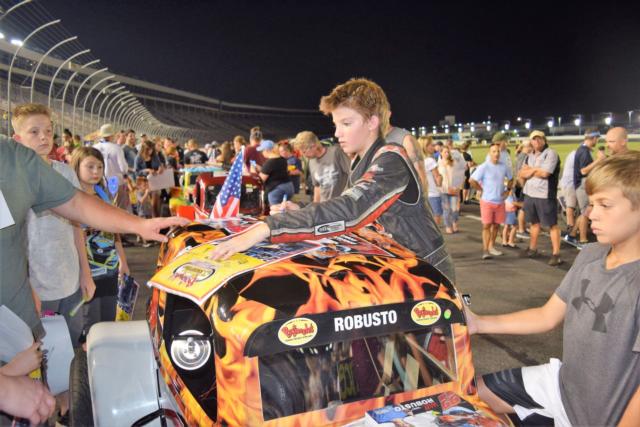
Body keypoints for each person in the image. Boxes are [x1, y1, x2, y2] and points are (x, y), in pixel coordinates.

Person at [210, 78, 454, 282]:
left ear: (372, 122)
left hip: (426, 268)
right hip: (399, 267)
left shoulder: (390, 158)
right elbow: (348, 208)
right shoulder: (360, 162)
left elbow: (352, 210)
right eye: (336, 124)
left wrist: (268, 227)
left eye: (346, 123)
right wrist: (303, 208)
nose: (337, 133)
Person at [466, 151, 640, 426]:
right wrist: (477, 323)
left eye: (605, 205)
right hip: (562, 387)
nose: (590, 214)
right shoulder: (591, 254)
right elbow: (547, 316)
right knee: (465, 397)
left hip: (602, 416)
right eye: (592, 203)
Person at [11, 104, 95, 353]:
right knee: (38, 357)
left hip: (70, 283)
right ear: (17, 139)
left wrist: (86, 272)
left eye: (48, 131)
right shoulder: (11, 182)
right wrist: (25, 287)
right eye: (34, 132)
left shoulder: (66, 174)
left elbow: (75, 226)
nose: (44, 137)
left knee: (69, 350)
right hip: (34, 288)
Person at [71, 147, 130, 339]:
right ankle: (89, 367)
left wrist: (123, 261)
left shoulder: (103, 195)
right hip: (88, 273)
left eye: (99, 167)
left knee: (109, 322)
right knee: (91, 326)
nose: (96, 172)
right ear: (77, 167)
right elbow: (77, 236)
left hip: (110, 269)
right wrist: (85, 272)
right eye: (90, 167)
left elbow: (115, 231)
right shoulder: (72, 199)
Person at [518, 130, 563, 266]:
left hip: (545, 194)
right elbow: (521, 173)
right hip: (530, 194)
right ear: (531, 141)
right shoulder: (529, 156)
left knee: (552, 225)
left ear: (544, 140)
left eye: (539, 139)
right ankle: (532, 248)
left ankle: (556, 254)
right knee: (534, 223)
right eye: (534, 139)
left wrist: (530, 170)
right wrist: (535, 170)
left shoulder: (551, 153)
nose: (536, 141)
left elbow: (545, 173)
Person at [470, 142, 513, 259]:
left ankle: (491, 247)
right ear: (489, 153)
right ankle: (485, 250)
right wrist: (481, 189)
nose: (496, 153)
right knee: (486, 226)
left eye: (498, 151)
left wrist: (508, 190)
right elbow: (472, 180)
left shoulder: (504, 166)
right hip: (487, 201)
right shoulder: (484, 166)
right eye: (494, 151)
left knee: (496, 225)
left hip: (499, 201)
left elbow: (511, 178)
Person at [569, 130, 604, 247]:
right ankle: (582, 240)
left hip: (582, 184)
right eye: (597, 138)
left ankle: (573, 234)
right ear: (593, 138)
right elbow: (583, 170)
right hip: (582, 184)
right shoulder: (584, 151)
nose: (597, 141)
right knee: (585, 213)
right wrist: (599, 160)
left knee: (587, 211)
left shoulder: (584, 150)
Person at [293, 130, 350, 202]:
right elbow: (317, 187)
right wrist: (315, 206)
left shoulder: (336, 152)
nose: (303, 155)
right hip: (325, 205)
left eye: (304, 151)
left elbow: (352, 173)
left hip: (341, 204)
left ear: (313, 146)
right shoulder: (311, 162)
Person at [384, 117, 428, 193]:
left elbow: (419, 171)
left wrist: (423, 201)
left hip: (403, 198)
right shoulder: (369, 139)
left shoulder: (405, 138)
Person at [93, 123, 130, 211]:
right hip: (115, 182)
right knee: (118, 209)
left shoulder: (94, 148)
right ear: (111, 135)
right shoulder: (116, 148)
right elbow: (123, 168)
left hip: (99, 182)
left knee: (103, 208)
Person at [258, 139, 295, 206]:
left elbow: (261, 180)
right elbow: (275, 172)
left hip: (277, 189)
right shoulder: (282, 159)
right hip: (289, 186)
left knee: (276, 212)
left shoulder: (269, 162)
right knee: (287, 209)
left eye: (262, 151)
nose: (262, 153)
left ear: (267, 150)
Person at [419, 136, 443, 226]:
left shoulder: (417, 161)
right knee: (435, 222)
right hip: (433, 194)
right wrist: (441, 177)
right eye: (431, 145)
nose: (433, 147)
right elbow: (438, 180)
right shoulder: (430, 161)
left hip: (421, 195)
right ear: (425, 146)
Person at [438, 146, 460, 234]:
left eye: (448, 152)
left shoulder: (453, 163)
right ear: (441, 153)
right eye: (445, 152)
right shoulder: (438, 164)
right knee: (446, 209)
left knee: (454, 209)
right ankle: (448, 225)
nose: (447, 154)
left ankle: (454, 223)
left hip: (453, 189)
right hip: (443, 190)